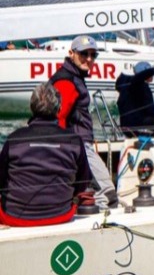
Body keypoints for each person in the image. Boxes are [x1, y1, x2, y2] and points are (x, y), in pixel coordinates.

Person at [0, 82, 91, 226]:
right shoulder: (74, 141)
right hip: (60, 215)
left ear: (31, 108)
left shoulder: (13, 140)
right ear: (59, 109)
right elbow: (83, 183)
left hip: (15, 217)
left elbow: (1, 180)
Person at [51, 35, 117, 210]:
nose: (89, 59)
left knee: (96, 193)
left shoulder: (75, 76)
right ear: (71, 53)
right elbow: (59, 118)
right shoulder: (66, 80)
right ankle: (104, 229)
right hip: (78, 145)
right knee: (106, 192)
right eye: (84, 54)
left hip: (80, 144)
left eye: (93, 55)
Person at [115, 61, 154, 135]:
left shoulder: (134, 85)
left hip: (137, 124)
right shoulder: (134, 84)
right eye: (149, 74)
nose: (152, 76)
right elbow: (139, 77)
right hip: (137, 125)